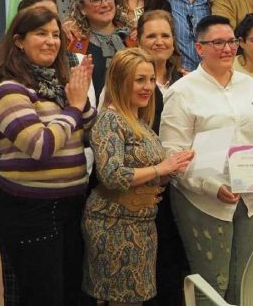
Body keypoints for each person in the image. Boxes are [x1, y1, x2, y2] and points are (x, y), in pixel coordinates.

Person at [159, 15, 253, 304]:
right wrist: (210, 186)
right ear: (199, 48)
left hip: (252, 199)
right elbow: (173, 155)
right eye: (217, 43)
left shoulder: (248, 85)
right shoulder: (182, 92)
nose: (227, 49)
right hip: (204, 202)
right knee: (213, 286)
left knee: (249, 283)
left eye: (231, 41)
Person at [0, 6, 97, 305]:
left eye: (55, 35)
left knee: (71, 292)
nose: (51, 41)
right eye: (41, 34)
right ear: (19, 41)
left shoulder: (59, 85)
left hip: (72, 204)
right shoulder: (9, 90)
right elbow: (40, 147)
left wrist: (78, 100)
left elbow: (93, 129)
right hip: (31, 210)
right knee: (42, 295)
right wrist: (74, 108)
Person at [82, 48, 194, 305]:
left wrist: (172, 169)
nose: (147, 87)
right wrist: (161, 169)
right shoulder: (111, 120)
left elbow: (151, 171)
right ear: (120, 82)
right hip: (114, 224)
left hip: (141, 224)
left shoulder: (138, 120)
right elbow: (112, 174)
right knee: (123, 300)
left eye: (151, 80)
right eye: (139, 80)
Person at [135, 10, 191, 305]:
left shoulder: (187, 81)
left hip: (182, 187)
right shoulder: (127, 82)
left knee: (173, 266)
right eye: (151, 36)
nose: (159, 42)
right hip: (145, 189)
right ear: (138, 40)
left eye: (165, 35)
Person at [66, 0, 131, 103]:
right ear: (82, 9)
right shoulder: (73, 41)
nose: (105, 4)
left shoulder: (132, 37)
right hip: (90, 116)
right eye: (96, 0)